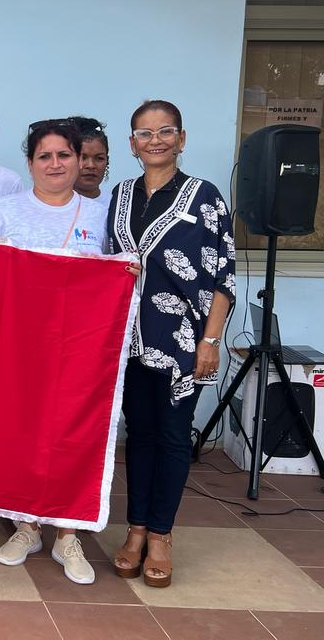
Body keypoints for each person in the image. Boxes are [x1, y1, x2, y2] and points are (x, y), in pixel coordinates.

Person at [0, 119, 138, 585]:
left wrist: (125, 274)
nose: (55, 164)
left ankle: (67, 533)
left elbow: (119, 274)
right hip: (19, 348)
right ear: (30, 163)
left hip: (81, 353)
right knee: (21, 432)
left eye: (64, 156)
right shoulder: (5, 212)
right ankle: (26, 524)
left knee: (74, 434)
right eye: (44, 156)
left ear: (80, 162)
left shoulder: (103, 214)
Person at [108, 100, 234, 588]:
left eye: (166, 131)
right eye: (144, 132)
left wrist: (211, 339)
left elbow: (224, 274)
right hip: (127, 340)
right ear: (132, 142)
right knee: (137, 435)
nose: (155, 140)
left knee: (173, 435)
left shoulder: (204, 196)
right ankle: (135, 529)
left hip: (183, 341)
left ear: (181, 139)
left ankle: (162, 533)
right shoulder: (120, 196)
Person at [69, 116, 111, 207]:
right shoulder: (52, 207)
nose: (91, 166)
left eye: (99, 158)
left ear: (107, 161)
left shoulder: (116, 206)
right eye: (82, 158)